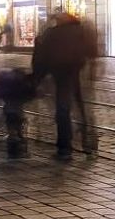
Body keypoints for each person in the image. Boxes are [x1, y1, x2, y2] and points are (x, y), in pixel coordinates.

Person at [33, 9, 96, 160]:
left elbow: (41, 57)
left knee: (63, 109)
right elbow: (92, 51)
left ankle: (65, 148)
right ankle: (89, 144)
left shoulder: (51, 33)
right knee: (82, 108)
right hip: (80, 72)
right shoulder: (81, 30)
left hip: (61, 75)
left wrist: (37, 78)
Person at [0, 65, 35, 158]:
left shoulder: (6, 86)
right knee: (17, 131)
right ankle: (16, 152)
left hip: (8, 110)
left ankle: (13, 151)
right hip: (17, 112)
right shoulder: (22, 87)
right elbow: (30, 94)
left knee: (12, 131)